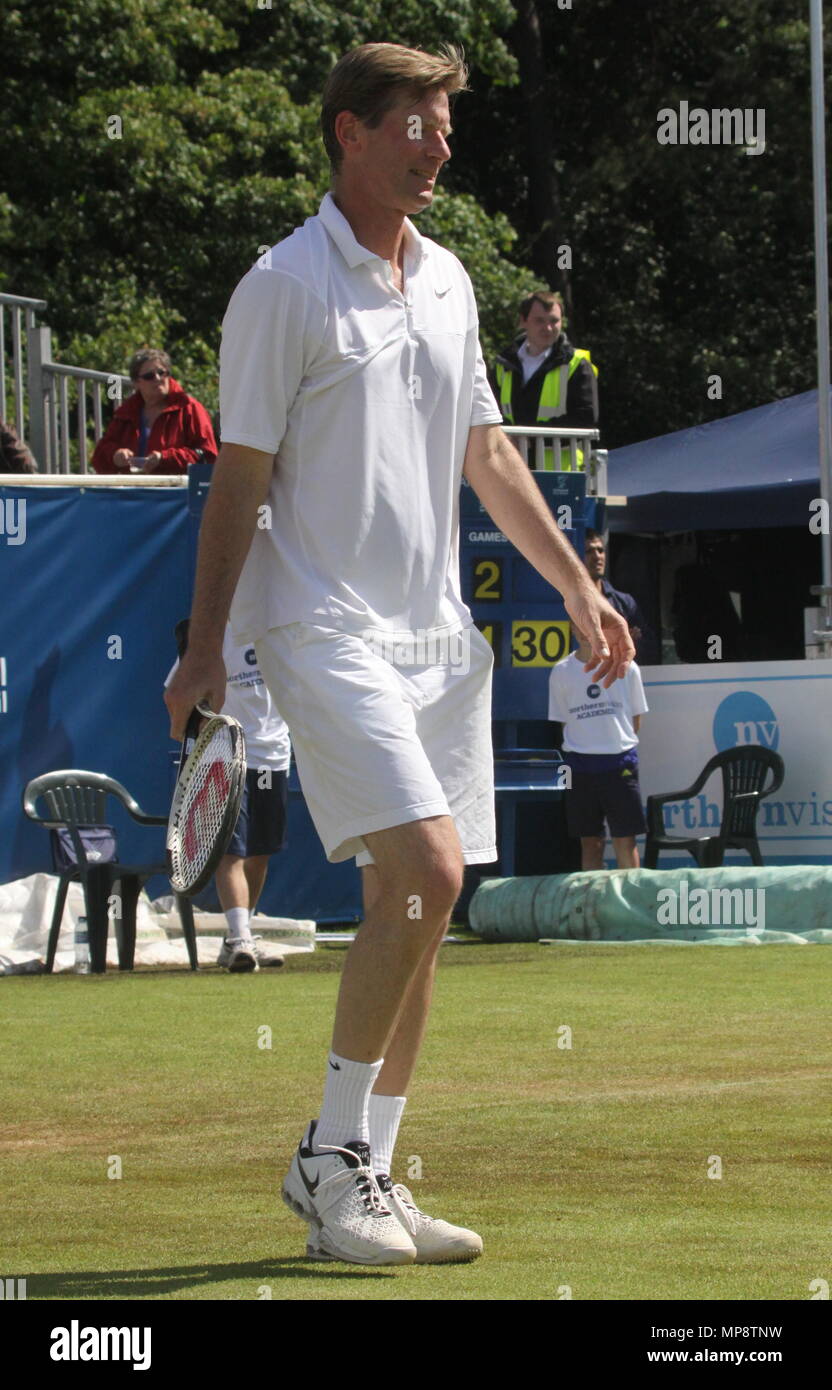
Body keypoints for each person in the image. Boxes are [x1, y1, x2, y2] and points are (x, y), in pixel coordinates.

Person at [166, 41, 633, 1268]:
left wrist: (578, 586)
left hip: (438, 639)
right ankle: (330, 1158)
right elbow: (242, 475)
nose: (437, 146)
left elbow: (488, 450)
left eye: (443, 125)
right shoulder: (280, 285)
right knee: (423, 868)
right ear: (348, 134)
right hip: (319, 622)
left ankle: (362, 1168)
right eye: (413, 125)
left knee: (427, 902)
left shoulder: (450, 281)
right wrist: (204, 643)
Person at [167, 619, 291, 973]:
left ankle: (242, 934)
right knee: (230, 851)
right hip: (223, 757)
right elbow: (177, 695)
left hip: (273, 758)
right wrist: (199, 728)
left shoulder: (282, 635)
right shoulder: (209, 639)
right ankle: (239, 938)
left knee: (259, 851)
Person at [548, 620, 648, 870]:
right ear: (571, 629)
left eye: (591, 627)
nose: (585, 634)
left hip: (619, 763)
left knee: (625, 841)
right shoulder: (561, 671)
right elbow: (564, 724)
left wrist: (610, 744)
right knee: (590, 843)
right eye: (579, 627)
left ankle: (630, 904)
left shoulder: (627, 668)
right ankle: (591, 906)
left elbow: (635, 720)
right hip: (579, 767)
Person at [492, 290, 598, 471]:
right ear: (523, 321)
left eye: (554, 321)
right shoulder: (504, 363)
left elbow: (585, 419)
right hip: (511, 469)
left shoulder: (576, 363)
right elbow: (489, 414)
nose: (548, 328)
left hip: (560, 475)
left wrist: (529, 439)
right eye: (540, 321)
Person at [91, 349, 217, 475]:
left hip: (177, 490)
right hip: (133, 490)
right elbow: (99, 457)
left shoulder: (190, 409)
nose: (157, 378)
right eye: (149, 376)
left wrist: (164, 458)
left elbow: (207, 456)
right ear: (136, 383)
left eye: (162, 373)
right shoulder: (126, 412)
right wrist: (115, 456)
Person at [584, 529, 659, 664]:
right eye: (589, 551)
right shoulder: (569, 600)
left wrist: (631, 640)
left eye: (600, 551)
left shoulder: (625, 602)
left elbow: (651, 648)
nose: (597, 556)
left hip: (617, 677)